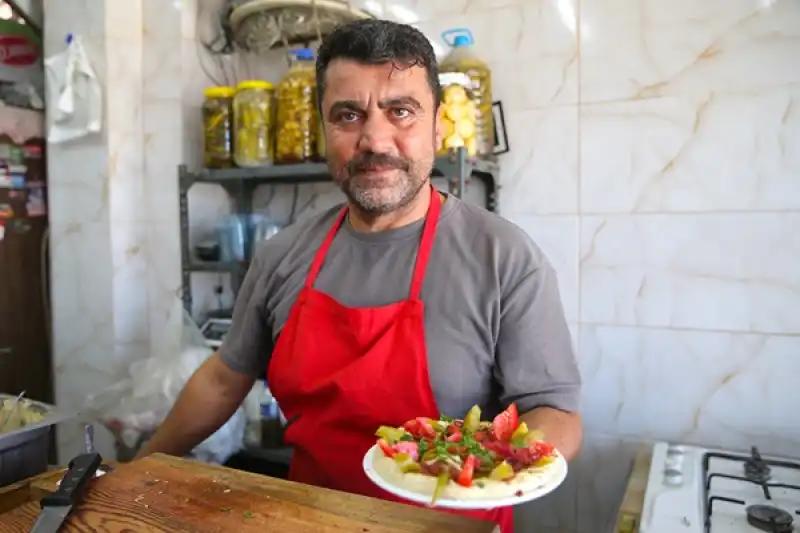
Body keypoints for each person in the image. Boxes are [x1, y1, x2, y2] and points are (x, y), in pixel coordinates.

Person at [137, 19, 582, 532]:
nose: (375, 139)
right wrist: (140, 467)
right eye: (348, 115)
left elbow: (556, 413)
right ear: (324, 129)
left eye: (402, 111)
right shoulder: (282, 255)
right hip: (309, 520)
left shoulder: (504, 257)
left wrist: (483, 471)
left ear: (438, 127)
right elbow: (222, 379)